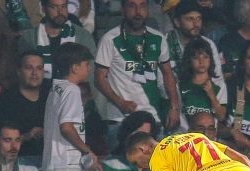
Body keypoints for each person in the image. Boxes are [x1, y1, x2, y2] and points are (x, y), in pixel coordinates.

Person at [39, 42, 104, 171]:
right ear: (74, 67)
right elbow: (66, 127)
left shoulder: (55, 89)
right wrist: (87, 150)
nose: (89, 68)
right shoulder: (71, 90)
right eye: (86, 64)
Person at [95, 0, 181, 149]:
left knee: (154, 169)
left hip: (153, 119)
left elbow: (168, 74)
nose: (137, 11)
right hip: (120, 120)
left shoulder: (158, 38)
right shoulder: (109, 39)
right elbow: (99, 78)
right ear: (123, 9)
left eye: (142, 5)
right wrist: (120, 102)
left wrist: (174, 107)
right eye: (132, 6)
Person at [18, 0, 96, 80]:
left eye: (63, 6)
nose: (60, 12)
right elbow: (22, 74)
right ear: (43, 8)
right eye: (54, 7)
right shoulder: (29, 37)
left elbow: (91, 73)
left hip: (74, 90)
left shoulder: (83, 36)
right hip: (39, 90)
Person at [0, 51, 51, 164]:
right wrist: (27, 136)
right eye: (28, 68)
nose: (34, 73)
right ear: (18, 71)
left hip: (50, 160)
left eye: (39, 68)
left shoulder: (52, 97)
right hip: (17, 162)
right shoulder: (5, 101)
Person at [177, 38, 228, 129]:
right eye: (196, 58)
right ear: (189, 60)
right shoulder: (181, 85)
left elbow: (221, 116)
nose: (201, 62)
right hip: (185, 136)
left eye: (205, 57)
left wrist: (211, 95)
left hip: (209, 138)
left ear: (211, 59)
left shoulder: (219, 85)